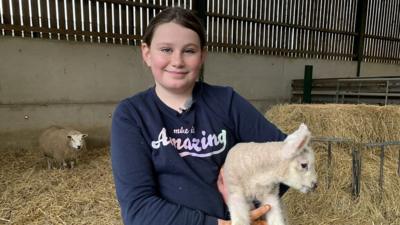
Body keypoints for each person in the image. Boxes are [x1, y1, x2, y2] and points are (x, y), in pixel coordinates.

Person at [111, 7, 288, 225]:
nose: (177, 61)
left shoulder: (225, 102)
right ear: (147, 53)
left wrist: (247, 201)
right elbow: (138, 210)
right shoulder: (132, 115)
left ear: (202, 55)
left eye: (189, 51)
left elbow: (289, 156)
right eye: (166, 49)